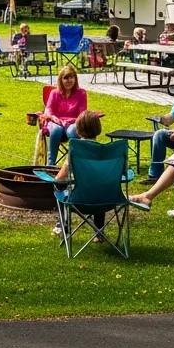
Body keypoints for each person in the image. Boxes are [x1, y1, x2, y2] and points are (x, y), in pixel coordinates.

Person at [53, 109, 108, 238]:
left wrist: (55, 179)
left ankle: (62, 225)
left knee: (58, 185)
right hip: (106, 198)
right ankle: (99, 232)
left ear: (77, 130)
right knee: (99, 187)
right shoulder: (106, 151)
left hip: (79, 198)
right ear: (98, 129)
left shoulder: (76, 150)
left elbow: (61, 177)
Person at [44, 64, 88, 166]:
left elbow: (82, 113)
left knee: (73, 131)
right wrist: (53, 117)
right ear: (61, 80)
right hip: (56, 122)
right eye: (66, 78)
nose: (69, 81)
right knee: (56, 130)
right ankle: (50, 164)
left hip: (73, 122)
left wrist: (72, 121)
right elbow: (48, 109)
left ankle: (75, 163)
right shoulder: (54, 93)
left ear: (75, 79)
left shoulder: (81, 93)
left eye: (71, 77)